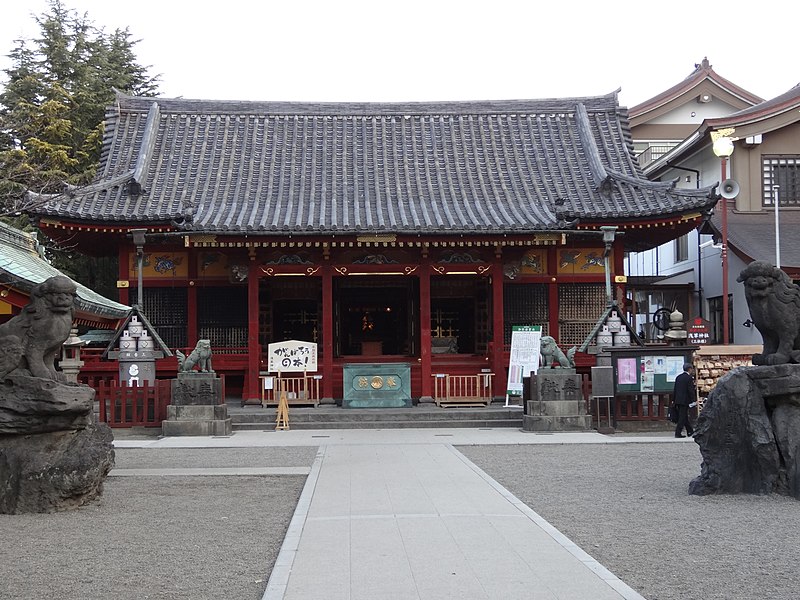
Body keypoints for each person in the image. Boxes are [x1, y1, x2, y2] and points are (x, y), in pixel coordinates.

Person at [673, 362, 696, 438]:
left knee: (684, 416)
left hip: (678, 399)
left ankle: (690, 431)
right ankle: (678, 432)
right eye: (692, 369)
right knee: (682, 417)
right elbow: (690, 390)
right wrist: (693, 399)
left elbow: (675, 389)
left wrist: (674, 399)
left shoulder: (678, 377)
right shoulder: (689, 378)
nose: (692, 370)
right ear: (689, 369)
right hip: (685, 400)